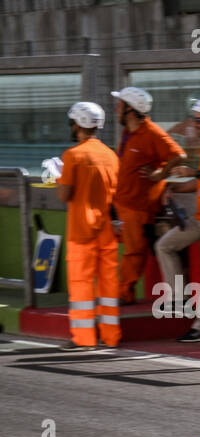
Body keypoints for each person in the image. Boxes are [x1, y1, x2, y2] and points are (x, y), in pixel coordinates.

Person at [155, 97, 200, 340]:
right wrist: (175, 187)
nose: (195, 124)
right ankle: (178, 299)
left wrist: (194, 172)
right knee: (165, 245)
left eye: (199, 120)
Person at [111, 86, 186, 305]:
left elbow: (178, 155)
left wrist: (160, 173)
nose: (116, 109)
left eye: (120, 105)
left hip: (138, 206)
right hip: (122, 203)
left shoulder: (152, 133)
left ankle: (124, 293)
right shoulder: (128, 133)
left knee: (134, 252)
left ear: (130, 110)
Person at [56, 102, 119, 348]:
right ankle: (111, 336)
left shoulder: (73, 156)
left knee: (82, 286)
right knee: (108, 286)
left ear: (77, 124)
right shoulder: (111, 155)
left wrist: (58, 175)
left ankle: (84, 338)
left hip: (81, 231)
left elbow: (64, 194)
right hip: (106, 231)